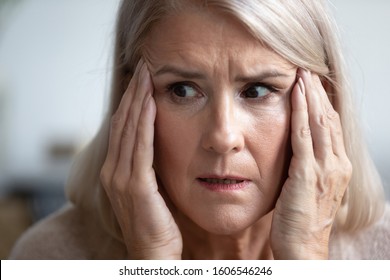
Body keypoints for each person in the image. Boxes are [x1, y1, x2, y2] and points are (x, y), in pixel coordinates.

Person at [9, 0, 390, 259]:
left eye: (257, 90)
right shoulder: (50, 255)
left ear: (322, 103)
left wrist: (305, 256)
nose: (223, 137)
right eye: (182, 90)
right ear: (129, 98)